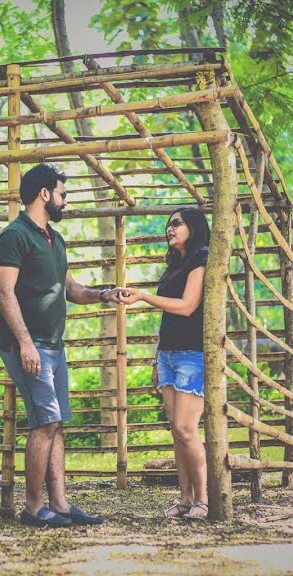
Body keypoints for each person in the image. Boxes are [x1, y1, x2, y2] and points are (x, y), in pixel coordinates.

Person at [0, 163, 123, 528]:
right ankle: (33, 508)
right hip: (26, 347)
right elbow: (5, 293)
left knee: (55, 424)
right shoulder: (13, 236)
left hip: (54, 346)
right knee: (44, 421)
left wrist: (104, 294)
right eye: (63, 194)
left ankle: (60, 504)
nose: (66, 202)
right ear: (44, 194)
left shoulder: (56, 239)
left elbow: (71, 290)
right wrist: (25, 344)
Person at [119, 207, 210, 521]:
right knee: (176, 431)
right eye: (168, 225)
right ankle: (185, 500)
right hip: (169, 355)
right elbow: (167, 316)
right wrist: (157, 358)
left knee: (187, 429)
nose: (169, 229)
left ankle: (204, 499)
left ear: (194, 226)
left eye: (177, 223)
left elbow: (186, 307)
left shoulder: (201, 258)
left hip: (193, 356)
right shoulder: (174, 266)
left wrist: (143, 296)